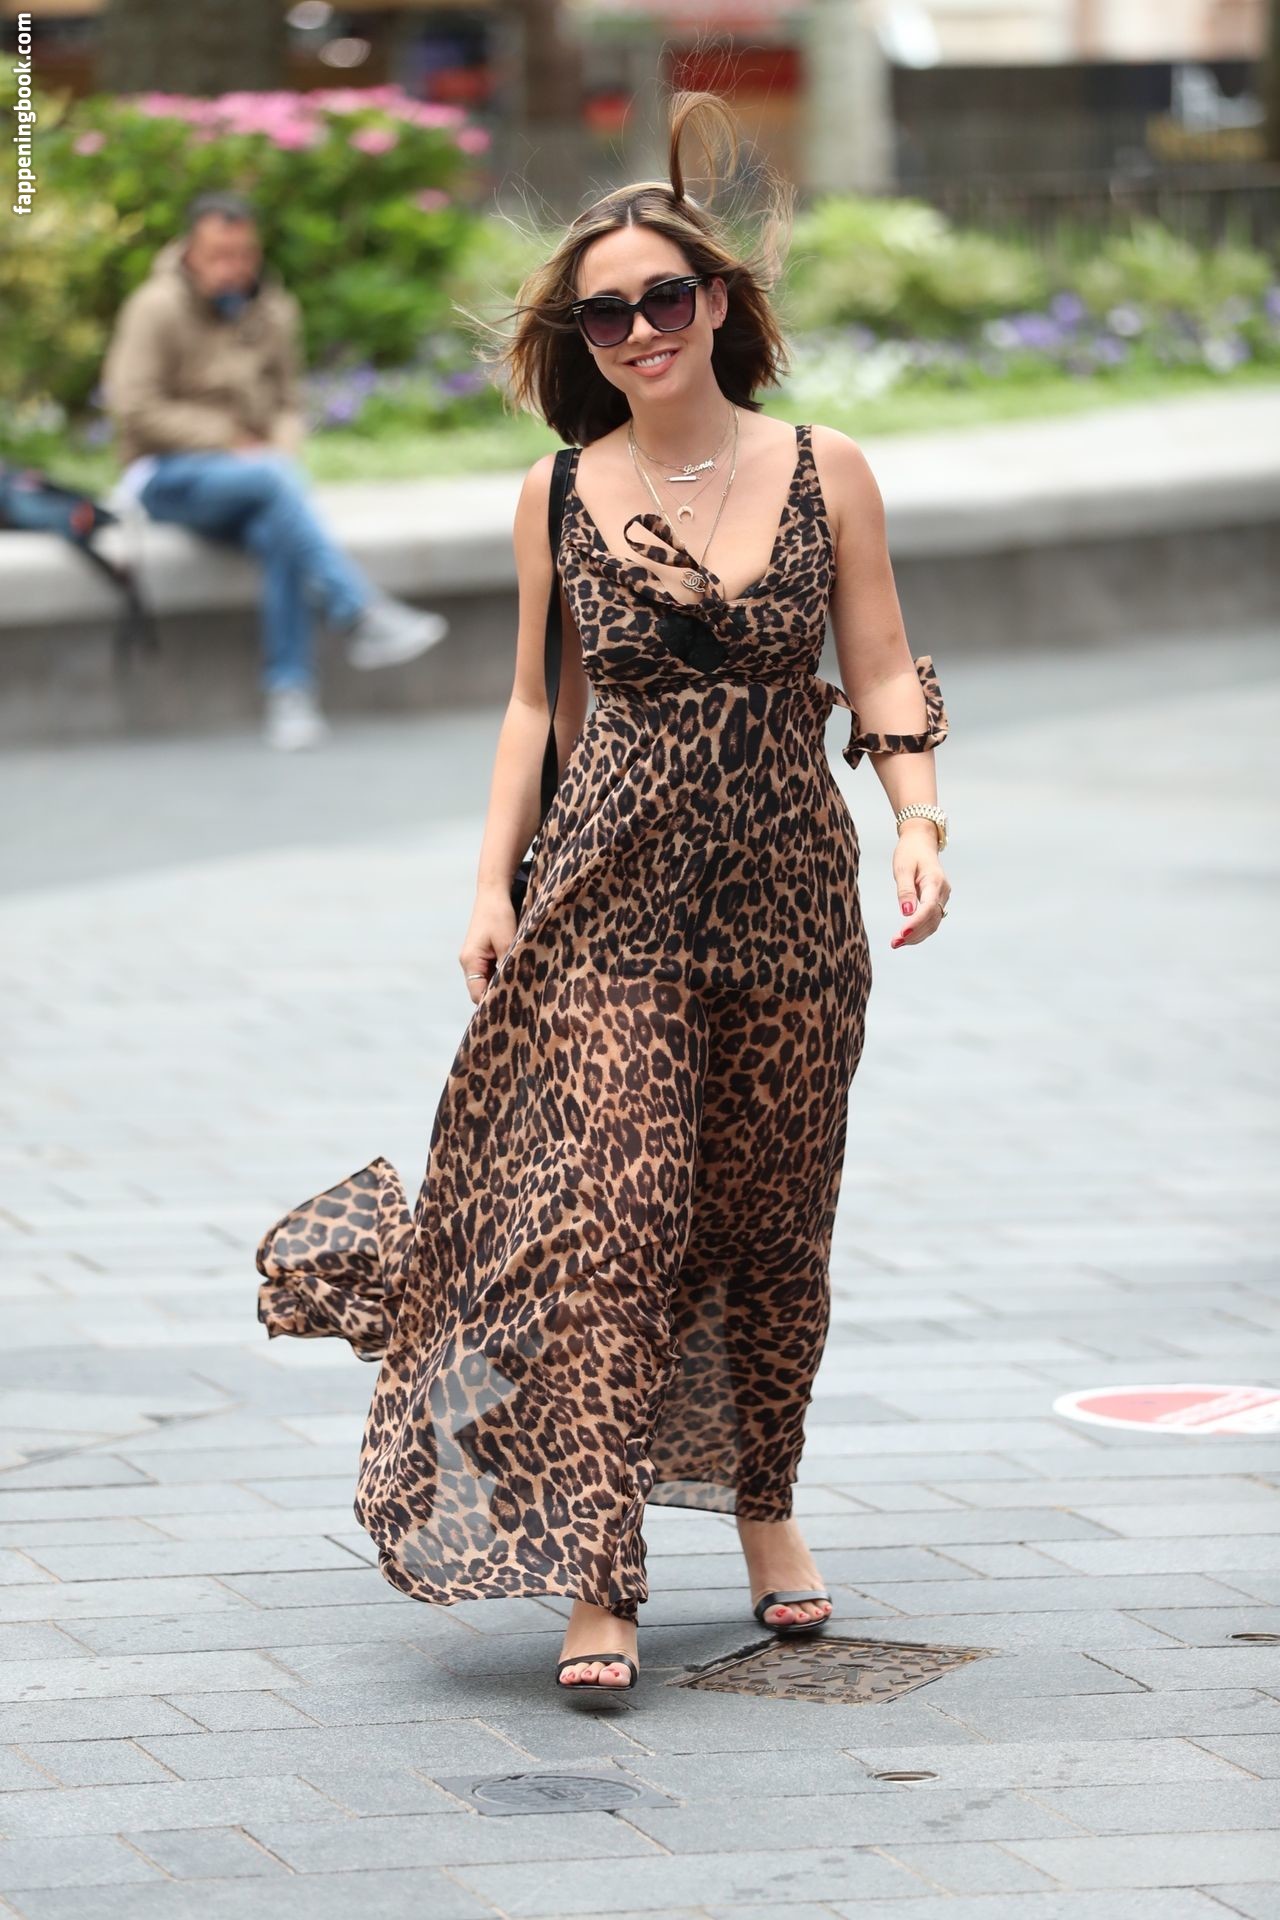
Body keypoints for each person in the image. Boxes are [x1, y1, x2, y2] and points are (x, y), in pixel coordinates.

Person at [255, 91, 951, 1709]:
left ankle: (767, 1509)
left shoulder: (826, 468)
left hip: (790, 900)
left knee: (773, 1225)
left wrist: (918, 817)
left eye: (664, 297)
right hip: (609, 901)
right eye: (606, 314)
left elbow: (879, 663)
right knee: (612, 1227)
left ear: (718, 301)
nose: (639, 330)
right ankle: (598, 1562)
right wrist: (491, 884)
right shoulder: (557, 493)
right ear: (580, 338)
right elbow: (533, 706)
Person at [101, 190, 449, 751]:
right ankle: (358, 611)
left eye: (244, 254)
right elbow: (135, 406)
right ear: (190, 252)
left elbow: (289, 401)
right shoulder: (155, 307)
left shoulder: (275, 309)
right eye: (219, 255)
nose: (233, 267)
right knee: (272, 484)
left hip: (256, 476)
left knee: (277, 529)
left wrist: (279, 448)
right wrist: (228, 441)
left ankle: (291, 695)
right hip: (165, 475)